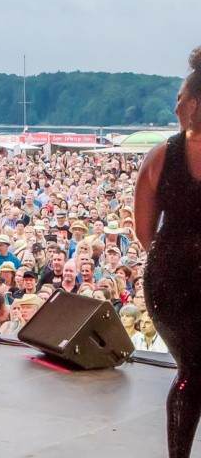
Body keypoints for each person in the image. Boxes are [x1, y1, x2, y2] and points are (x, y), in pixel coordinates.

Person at [134, 46, 201, 457]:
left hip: (169, 284)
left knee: (191, 372)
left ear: (194, 105)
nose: (174, 105)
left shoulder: (159, 157)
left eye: (179, 98)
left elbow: (145, 234)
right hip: (179, 283)